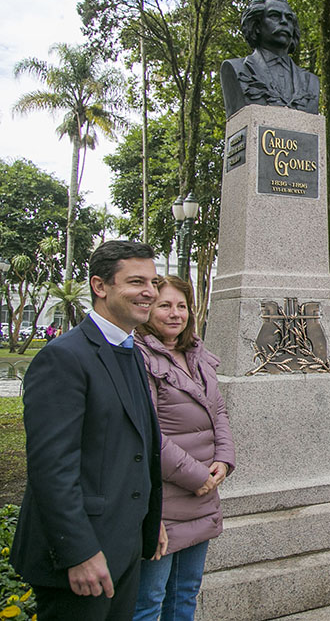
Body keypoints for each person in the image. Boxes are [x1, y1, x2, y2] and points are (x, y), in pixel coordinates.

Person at [11, 240, 166, 620]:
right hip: (81, 559)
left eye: (153, 281)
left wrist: (150, 518)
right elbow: (51, 469)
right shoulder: (64, 357)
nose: (150, 292)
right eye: (136, 282)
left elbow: (134, 447)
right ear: (100, 286)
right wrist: (78, 552)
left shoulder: (130, 351)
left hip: (124, 546)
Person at [132, 276, 235, 621]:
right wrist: (196, 476)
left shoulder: (197, 356)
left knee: (185, 594)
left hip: (202, 496)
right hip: (163, 500)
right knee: (150, 601)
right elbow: (146, 433)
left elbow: (217, 409)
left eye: (181, 306)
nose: (175, 314)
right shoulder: (138, 358)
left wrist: (223, 458)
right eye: (165, 305)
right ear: (148, 309)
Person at [220, 0, 320, 118]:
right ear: (256, 26)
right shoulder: (236, 69)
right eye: (274, 16)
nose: (284, 21)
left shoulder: (310, 82)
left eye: (289, 18)